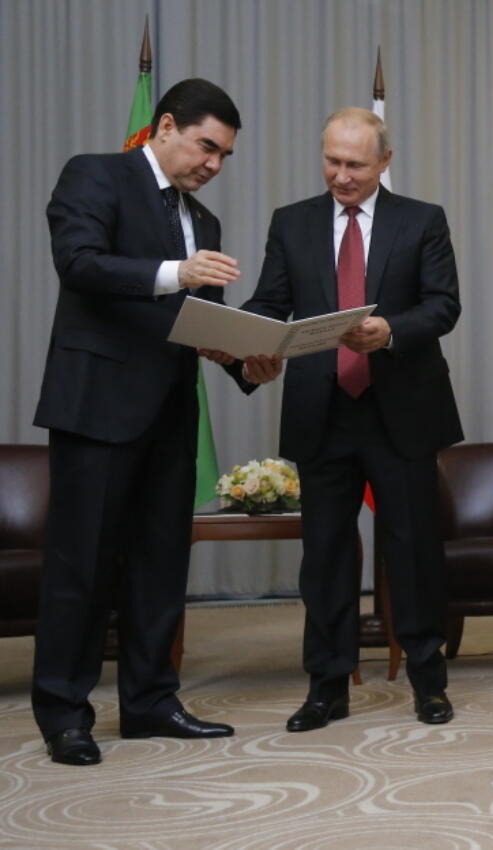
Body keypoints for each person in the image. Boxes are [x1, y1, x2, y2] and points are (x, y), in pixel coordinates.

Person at [32, 78, 267, 766]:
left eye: (225, 156)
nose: (214, 165)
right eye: (206, 147)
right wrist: (176, 272)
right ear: (164, 127)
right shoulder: (94, 175)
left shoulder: (206, 224)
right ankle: (64, 714)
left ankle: (150, 703)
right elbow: (77, 264)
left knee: (161, 565)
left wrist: (245, 362)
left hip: (171, 416)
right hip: (97, 408)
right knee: (82, 566)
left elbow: (204, 324)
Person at [235, 107, 463, 731]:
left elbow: (444, 306)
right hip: (323, 412)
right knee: (326, 557)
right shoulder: (292, 223)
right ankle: (326, 687)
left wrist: (390, 330)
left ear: (384, 162)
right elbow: (268, 302)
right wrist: (248, 340)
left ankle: (428, 679)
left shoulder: (422, 220)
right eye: (331, 161)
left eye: (355, 164)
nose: (341, 175)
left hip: (402, 411)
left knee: (412, 551)